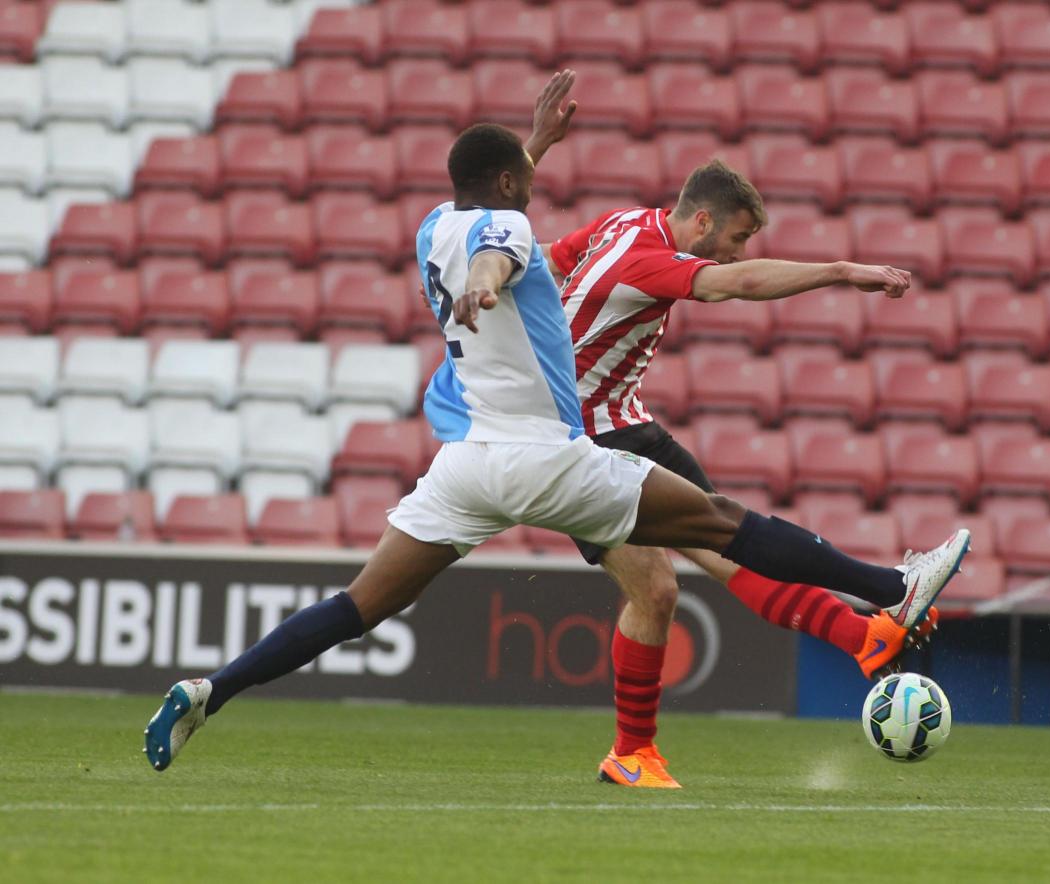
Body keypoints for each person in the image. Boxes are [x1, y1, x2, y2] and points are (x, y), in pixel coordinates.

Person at [144, 72, 969, 779]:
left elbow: (493, 217)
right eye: (525, 179)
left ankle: (212, 691)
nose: (530, 193)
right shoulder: (511, 234)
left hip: (466, 462)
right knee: (725, 529)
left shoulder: (436, 227)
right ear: (510, 188)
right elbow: (506, 242)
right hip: (551, 456)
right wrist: (494, 278)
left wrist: (529, 152)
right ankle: (895, 589)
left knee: (358, 604)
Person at [541, 162, 945, 788]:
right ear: (701, 221)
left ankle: (864, 636)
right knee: (657, 589)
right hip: (574, 443)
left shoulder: (621, 223)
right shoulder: (646, 258)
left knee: (733, 549)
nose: (737, 253)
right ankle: (631, 754)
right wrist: (841, 271)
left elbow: (547, 256)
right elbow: (739, 285)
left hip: (626, 423)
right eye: (735, 238)